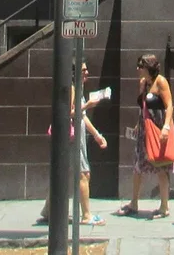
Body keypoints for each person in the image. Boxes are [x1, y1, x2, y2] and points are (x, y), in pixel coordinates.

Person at [35, 61, 108, 228]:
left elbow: (82, 116)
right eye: (83, 70)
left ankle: (48, 210)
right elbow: (69, 113)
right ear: (74, 73)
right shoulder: (73, 89)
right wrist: (88, 105)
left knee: (63, 172)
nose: (87, 72)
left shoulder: (77, 88)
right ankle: (86, 215)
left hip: (75, 136)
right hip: (73, 138)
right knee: (83, 174)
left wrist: (96, 135)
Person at [117, 54, 174, 219]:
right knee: (138, 165)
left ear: (148, 67)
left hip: (158, 127)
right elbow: (142, 106)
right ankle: (133, 202)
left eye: (140, 66)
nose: (137, 69)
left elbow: (170, 105)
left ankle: (164, 206)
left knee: (161, 165)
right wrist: (138, 123)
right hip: (144, 128)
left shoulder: (161, 82)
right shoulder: (143, 83)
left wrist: (166, 127)